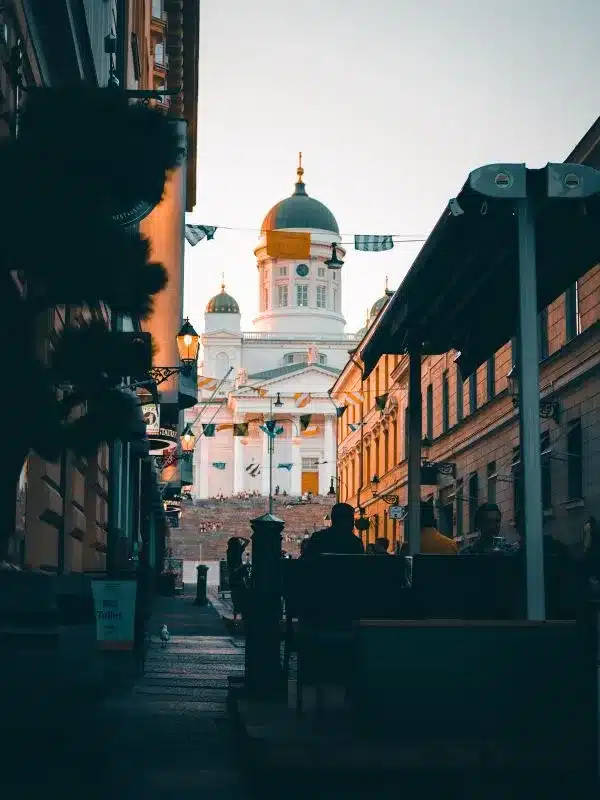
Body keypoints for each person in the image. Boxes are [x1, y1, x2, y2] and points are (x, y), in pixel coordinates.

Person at [226, 536, 250, 623]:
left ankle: (236, 617)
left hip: (233, 578)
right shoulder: (235, 552)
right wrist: (244, 566)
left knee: (236, 597)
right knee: (241, 596)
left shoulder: (231, 551)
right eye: (238, 542)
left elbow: (247, 541)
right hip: (238, 577)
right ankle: (241, 616)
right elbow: (248, 541)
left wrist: (238, 537)